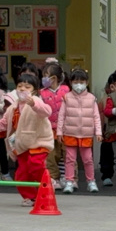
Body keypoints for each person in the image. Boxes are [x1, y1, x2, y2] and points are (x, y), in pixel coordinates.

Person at [0, 73, 53, 207]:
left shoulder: (36, 100)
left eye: (27, 87)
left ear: (34, 90)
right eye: (20, 86)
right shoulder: (13, 107)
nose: (22, 89)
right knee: (21, 175)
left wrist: (34, 104)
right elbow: (4, 123)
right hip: (22, 145)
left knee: (35, 164)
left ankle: (47, 183)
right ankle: (31, 197)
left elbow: (47, 112)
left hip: (39, 141)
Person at [56, 68, 103, 193]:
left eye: (81, 82)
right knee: (69, 159)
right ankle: (69, 181)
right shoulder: (66, 98)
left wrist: (98, 132)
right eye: (76, 82)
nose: (78, 85)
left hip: (86, 134)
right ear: (71, 82)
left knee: (88, 159)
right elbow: (61, 116)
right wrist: (59, 132)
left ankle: (91, 181)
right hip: (70, 133)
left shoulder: (92, 98)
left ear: (87, 83)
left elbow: (96, 116)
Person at [40, 59, 69, 189]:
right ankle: (53, 177)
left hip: (65, 129)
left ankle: (68, 177)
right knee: (51, 154)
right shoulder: (41, 93)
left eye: (46, 75)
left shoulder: (66, 90)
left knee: (67, 154)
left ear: (54, 78)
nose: (43, 79)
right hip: (49, 129)